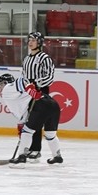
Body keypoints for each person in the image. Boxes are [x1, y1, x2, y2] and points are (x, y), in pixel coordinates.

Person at [0, 72, 63, 166]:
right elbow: (23, 115)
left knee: (27, 132)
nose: (0, 89)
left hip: (40, 105)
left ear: (4, 83)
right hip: (53, 104)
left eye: (0, 85)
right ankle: (57, 156)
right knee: (50, 134)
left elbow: (21, 81)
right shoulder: (16, 94)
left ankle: (21, 157)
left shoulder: (7, 89)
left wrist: (30, 90)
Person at [18, 31, 62, 164]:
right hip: (29, 92)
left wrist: (36, 84)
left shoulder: (44, 58)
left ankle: (36, 150)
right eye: (29, 39)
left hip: (41, 91)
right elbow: (24, 76)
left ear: (40, 42)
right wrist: (27, 87)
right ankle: (33, 148)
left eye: (33, 40)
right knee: (31, 119)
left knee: (37, 119)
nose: (30, 42)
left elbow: (49, 77)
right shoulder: (26, 59)